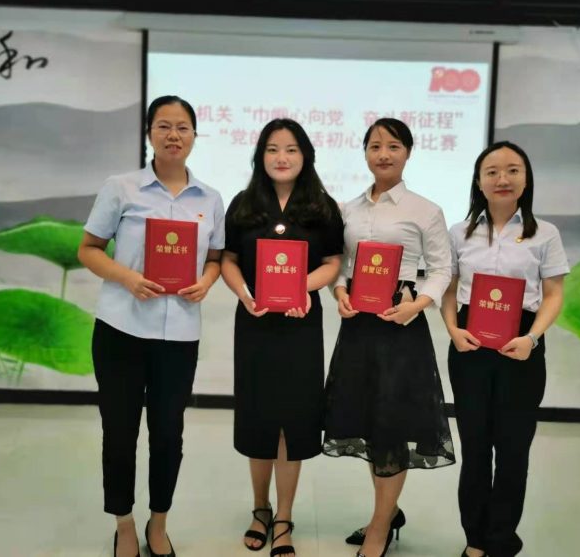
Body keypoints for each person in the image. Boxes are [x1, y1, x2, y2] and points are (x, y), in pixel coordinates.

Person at [78, 95, 225, 557]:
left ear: (195, 135)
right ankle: (123, 524)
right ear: (149, 134)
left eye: (183, 127)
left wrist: (206, 281)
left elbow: (216, 258)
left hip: (178, 336)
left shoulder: (210, 198)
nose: (173, 135)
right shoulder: (121, 188)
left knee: (167, 437)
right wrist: (127, 278)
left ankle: (158, 523)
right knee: (119, 435)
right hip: (120, 330)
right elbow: (88, 249)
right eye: (164, 126)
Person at [323, 118, 455, 557]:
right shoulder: (348, 209)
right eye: (375, 146)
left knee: (393, 425)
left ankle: (379, 528)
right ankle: (388, 512)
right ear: (364, 153)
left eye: (393, 146)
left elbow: (442, 269)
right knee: (370, 422)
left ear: (408, 152)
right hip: (358, 327)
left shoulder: (425, 210)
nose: (384, 154)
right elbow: (341, 265)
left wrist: (418, 306)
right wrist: (340, 292)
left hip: (401, 326)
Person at [221, 118, 343, 557]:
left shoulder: (322, 206)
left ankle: (285, 516)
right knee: (258, 417)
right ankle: (260, 509)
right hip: (254, 323)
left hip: (300, 324)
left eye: (291, 149)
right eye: (272, 149)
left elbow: (333, 263)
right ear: (260, 156)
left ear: (305, 155)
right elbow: (229, 259)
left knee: (293, 418)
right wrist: (244, 292)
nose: (282, 157)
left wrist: (300, 287)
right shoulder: (244, 204)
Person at [440, 141, 568, 557]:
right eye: (492, 171)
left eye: (513, 170)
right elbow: (448, 289)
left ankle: (500, 541)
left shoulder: (544, 233)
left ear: (526, 179)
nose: (502, 179)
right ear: (478, 181)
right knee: (475, 448)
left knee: (513, 451)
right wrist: (452, 330)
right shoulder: (459, 233)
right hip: (470, 344)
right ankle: (475, 540)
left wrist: (532, 338)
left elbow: (553, 294)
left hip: (522, 346)